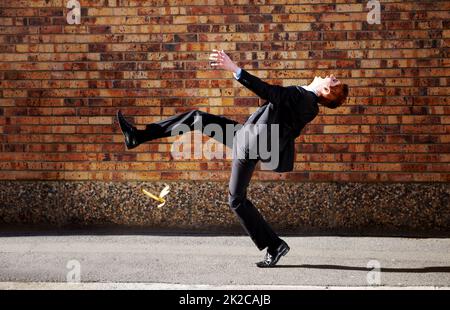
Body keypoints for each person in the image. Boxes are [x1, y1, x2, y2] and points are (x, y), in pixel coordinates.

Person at [117, 49, 349, 267]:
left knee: (236, 199)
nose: (331, 76)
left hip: (248, 145)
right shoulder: (305, 99)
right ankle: (137, 136)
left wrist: (234, 69)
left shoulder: (305, 99)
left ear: (327, 92)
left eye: (334, 81)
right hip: (246, 136)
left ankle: (274, 244)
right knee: (196, 118)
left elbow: (269, 92)